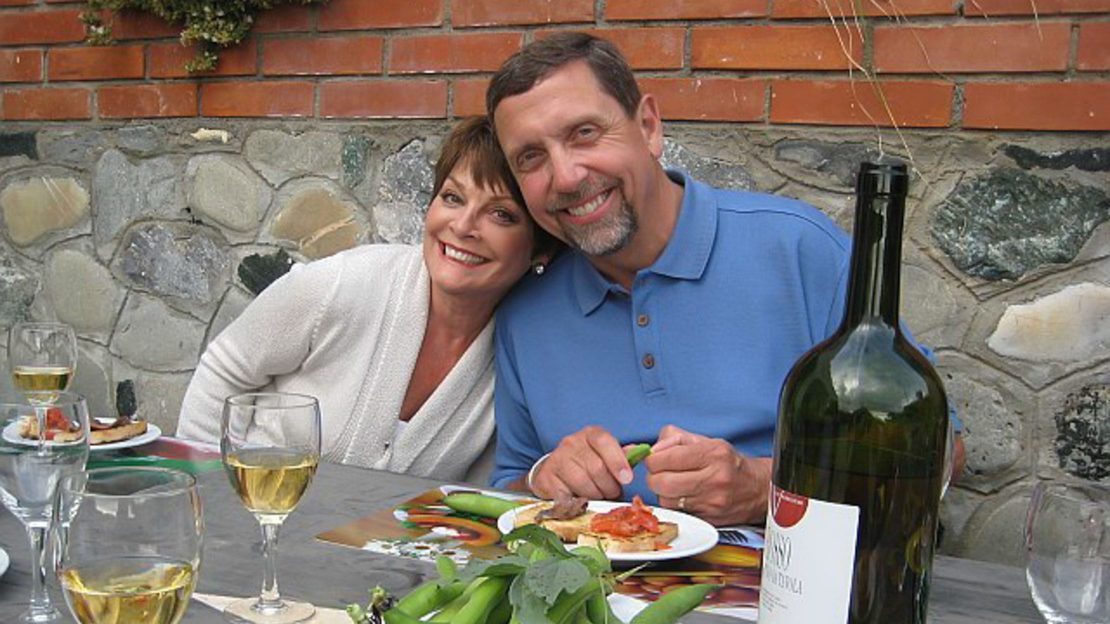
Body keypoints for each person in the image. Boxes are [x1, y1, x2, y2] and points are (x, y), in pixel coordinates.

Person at [486, 32, 965, 525]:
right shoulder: (526, 313)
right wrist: (547, 477)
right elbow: (510, 485)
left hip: (796, 586)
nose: (565, 177)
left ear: (649, 127)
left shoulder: (799, 252)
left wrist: (767, 489)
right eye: (531, 157)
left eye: (584, 133)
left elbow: (938, 452)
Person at [177, 116, 559, 483]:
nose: (462, 226)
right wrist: (213, 498)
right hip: (258, 518)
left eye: (501, 214)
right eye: (453, 197)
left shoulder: (518, 358)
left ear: (541, 249)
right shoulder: (346, 283)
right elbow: (224, 370)